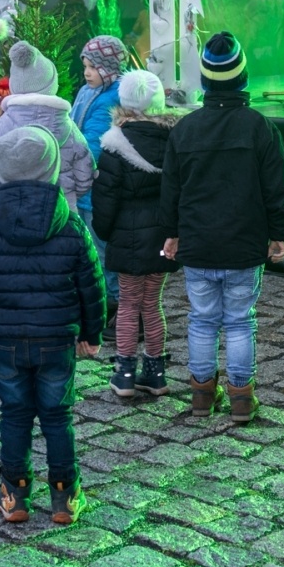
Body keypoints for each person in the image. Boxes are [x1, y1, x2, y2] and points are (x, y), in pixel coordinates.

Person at [0, 126, 106, 525]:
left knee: (15, 414)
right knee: (57, 416)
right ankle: (64, 495)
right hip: (57, 340)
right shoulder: (70, 225)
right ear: (53, 168)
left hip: (6, 340)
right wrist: (92, 334)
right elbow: (93, 285)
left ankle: (15, 492)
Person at [159, 32, 284, 422]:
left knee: (202, 320)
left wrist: (169, 232)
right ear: (242, 78)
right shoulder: (260, 127)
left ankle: (202, 396)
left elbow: (170, 189)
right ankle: (241, 398)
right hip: (244, 245)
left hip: (198, 245)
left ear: (203, 80)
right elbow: (277, 188)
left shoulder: (185, 129)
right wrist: (280, 233)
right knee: (239, 321)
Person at [91, 70, 182, 399]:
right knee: (153, 304)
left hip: (126, 239)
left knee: (129, 305)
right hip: (162, 237)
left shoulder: (114, 145)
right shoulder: (174, 141)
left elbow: (105, 199)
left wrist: (105, 231)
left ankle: (125, 374)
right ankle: (155, 374)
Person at [0, 41, 95, 209]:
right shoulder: (69, 128)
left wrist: (1, 199)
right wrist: (67, 196)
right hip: (60, 213)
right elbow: (85, 176)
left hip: (10, 213)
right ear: (51, 85)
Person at [71, 35, 128, 330]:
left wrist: (73, 166)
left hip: (96, 186)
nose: (87, 72)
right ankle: (102, 300)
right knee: (90, 247)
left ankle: (117, 304)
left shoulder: (112, 97)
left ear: (108, 68)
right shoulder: (87, 91)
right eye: (85, 65)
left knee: (102, 249)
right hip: (82, 185)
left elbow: (93, 143)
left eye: (92, 66)